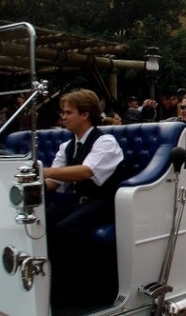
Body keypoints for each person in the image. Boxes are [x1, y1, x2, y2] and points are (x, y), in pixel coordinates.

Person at [43, 89, 125, 304]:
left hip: (103, 203)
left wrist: (45, 171)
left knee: (64, 230)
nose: (63, 117)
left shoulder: (105, 142)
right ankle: (47, 286)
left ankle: (74, 291)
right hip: (76, 202)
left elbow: (86, 171)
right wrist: (30, 185)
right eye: (63, 112)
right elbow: (54, 182)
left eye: (68, 112)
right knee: (41, 222)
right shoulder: (67, 146)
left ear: (85, 114)